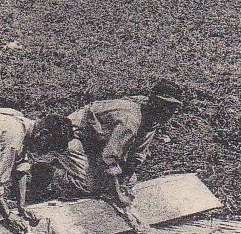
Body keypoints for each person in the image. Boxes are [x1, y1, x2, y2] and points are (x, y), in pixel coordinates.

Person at [45, 82, 186, 206]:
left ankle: (86, 172)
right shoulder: (130, 120)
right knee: (89, 186)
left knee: (130, 181)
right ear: (153, 101)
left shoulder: (153, 118)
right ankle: (55, 175)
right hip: (72, 134)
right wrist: (118, 195)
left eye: (172, 107)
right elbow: (108, 158)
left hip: (98, 141)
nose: (168, 111)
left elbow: (137, 154)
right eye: (164, 105)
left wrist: (122, 181)